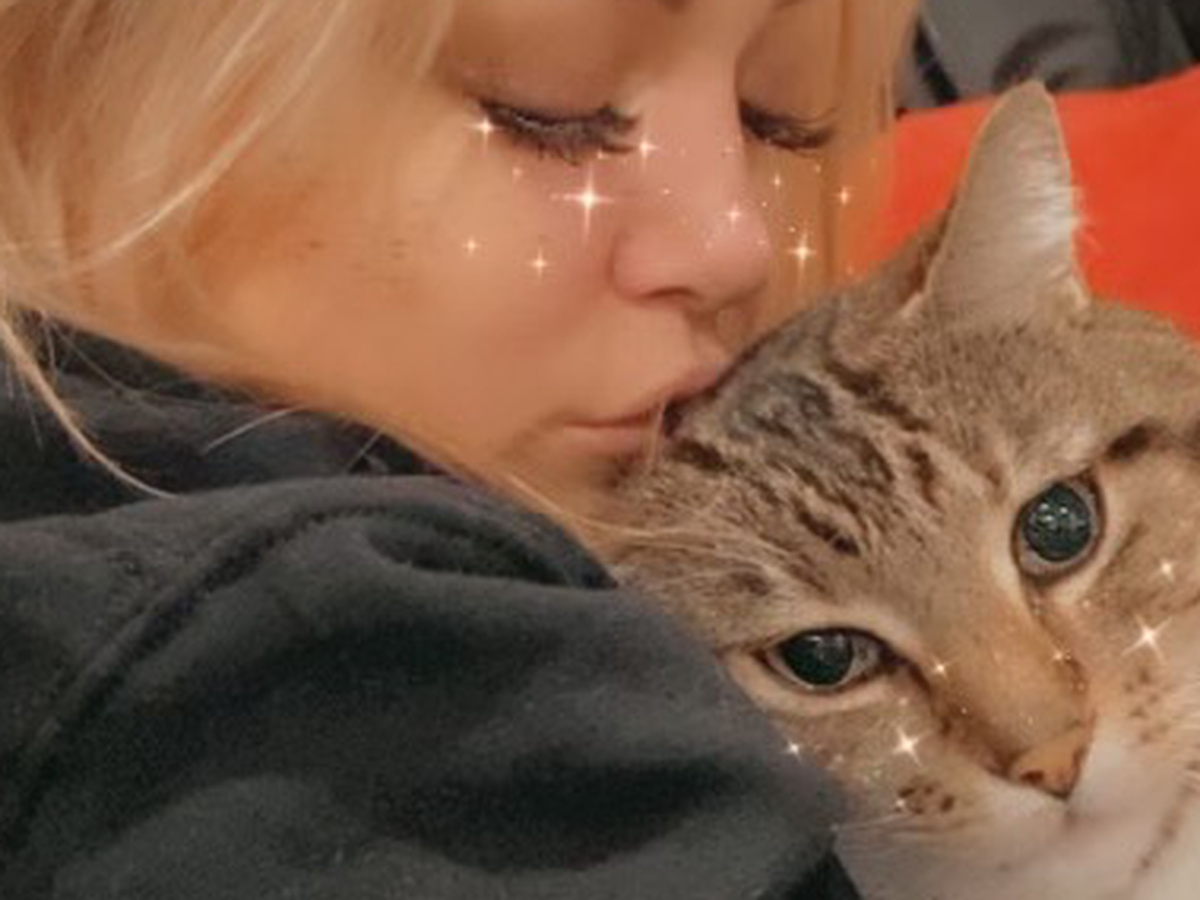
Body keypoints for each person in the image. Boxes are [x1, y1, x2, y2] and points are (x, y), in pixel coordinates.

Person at [0, 1, 914, 897]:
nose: (736, 243)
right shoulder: (323, 675)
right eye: (549, 108)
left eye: (778, 118)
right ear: (55, 82)